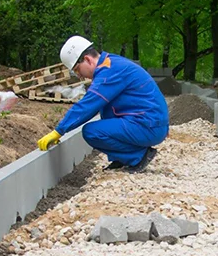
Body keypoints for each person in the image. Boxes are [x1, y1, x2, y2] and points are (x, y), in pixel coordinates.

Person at [36, 36, 169, 173]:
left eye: (77, 70)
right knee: (106, 110)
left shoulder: (109, 73)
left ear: (87, 59)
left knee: (92, 132)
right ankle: (121, 159)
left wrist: (59, 131)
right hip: (149, 122)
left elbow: (88, 105)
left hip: (149, 126)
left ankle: (138, 156)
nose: (80, 76)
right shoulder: (111, 63)